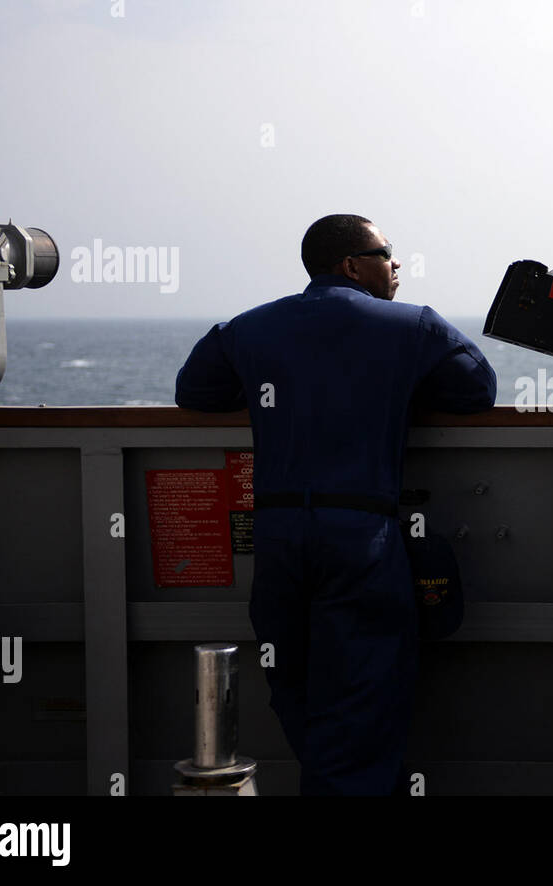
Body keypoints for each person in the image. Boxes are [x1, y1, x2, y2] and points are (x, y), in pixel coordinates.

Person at [174, 214, 496, 795]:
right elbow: (478, 391)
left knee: (293, 685)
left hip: (276, 535)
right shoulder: (412, 326)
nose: (397, 265)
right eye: (388, 253)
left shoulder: (249, 327)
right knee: (364, 695)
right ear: (353, 264)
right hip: (359, 538)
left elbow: (194, 392)